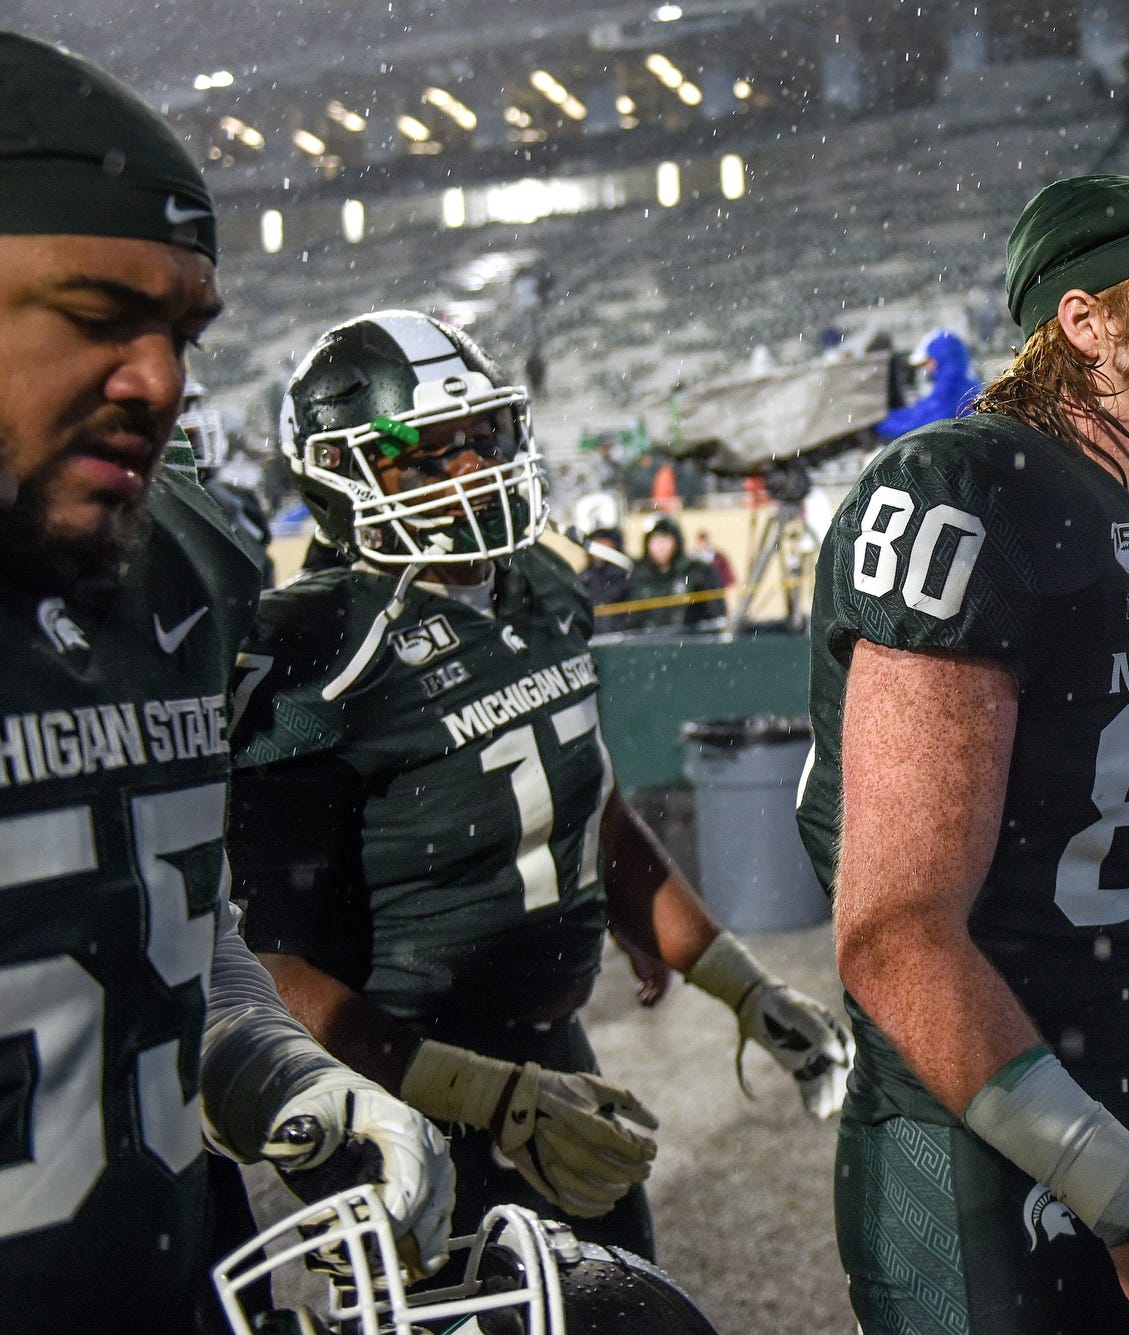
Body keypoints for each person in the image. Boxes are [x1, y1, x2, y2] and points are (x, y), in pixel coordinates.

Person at [797, 173, 1129, 1334]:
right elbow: (894, 937)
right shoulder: (961, 493)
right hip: (981, 1136)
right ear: (1087, 324)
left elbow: (1114, 881)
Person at [226, 310, 854, 1257]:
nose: (470, 469)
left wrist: (742, 985)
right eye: (425, 453)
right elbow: (272, 967)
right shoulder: (316, 650)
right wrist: (481, 1093)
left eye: (480, 438)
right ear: (338, 478)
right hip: (404, 1078)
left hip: (551, 1058)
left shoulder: (540, 588)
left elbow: (594, 810)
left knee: (625, 1299)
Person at [0, 32, 454, 1327]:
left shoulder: (174, 556)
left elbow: (163, 938)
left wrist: (293, 1081)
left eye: (181, 330)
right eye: (96, 317)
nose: (160, 381)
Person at [875, 328, 983, 440]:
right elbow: (921, 412)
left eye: (928, 361)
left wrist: (878, 422)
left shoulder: (951, 390)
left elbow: (919, 424)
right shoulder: (966, 384)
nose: (927, 368)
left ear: (941, 358)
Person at [626, 515, 726, 631]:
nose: (661, 547)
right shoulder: (638, 577)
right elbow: (630, 622)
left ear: (676, 542)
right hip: (648, 644)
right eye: (656, 541)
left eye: (665, 540)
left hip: (689, 643)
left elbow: (716, 615)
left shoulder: (697, 573)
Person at [576, 525, 633, 630]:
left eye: (604, 544)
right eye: (596, 544)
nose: (600, 550)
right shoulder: (582, 579)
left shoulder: (628, 576)